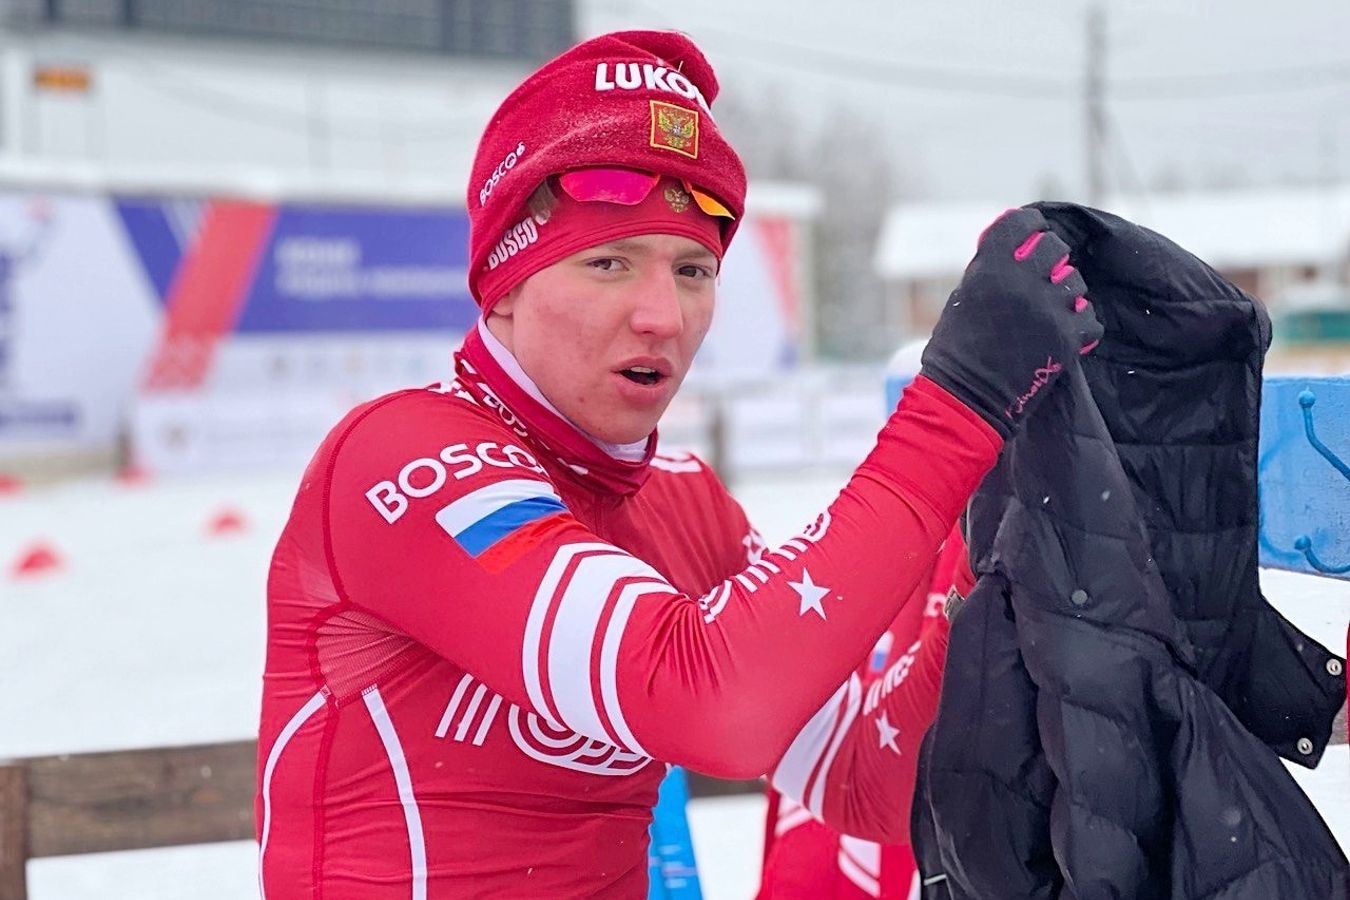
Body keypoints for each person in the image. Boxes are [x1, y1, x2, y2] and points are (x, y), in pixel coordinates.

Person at [255, 29, 1101, 898]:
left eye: (693, 271)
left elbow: (866, 782)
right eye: (609, 263)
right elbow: (712, 699)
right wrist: (957, 410)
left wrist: (981, 563)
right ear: (504, 284)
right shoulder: (402, 460)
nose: (662, 315)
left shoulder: (683, 502)